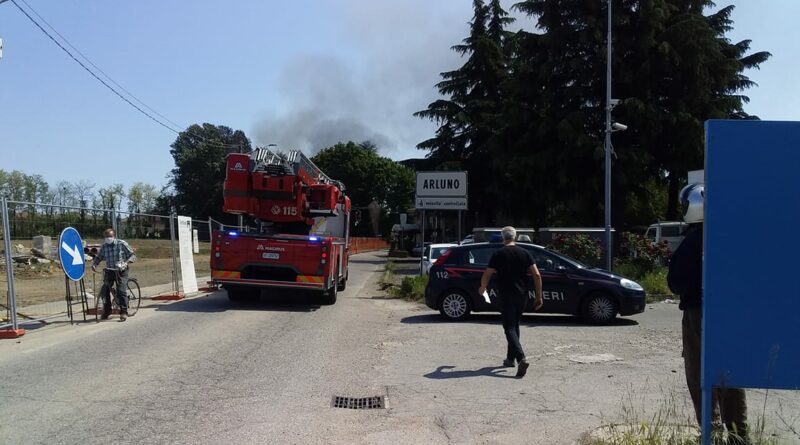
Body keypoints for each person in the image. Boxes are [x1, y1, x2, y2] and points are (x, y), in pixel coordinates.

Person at [667, 184, 749, 443]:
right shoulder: (727, 235)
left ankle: (710, 434)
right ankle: (739, 435)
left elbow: (676, 281)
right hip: (729, 313)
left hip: (697, 313)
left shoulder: (693, 240)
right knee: (731, 376)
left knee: (700, 376)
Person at [479, 226, 543, 378]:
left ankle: (521, 358)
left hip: (506, 295)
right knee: (515, 325)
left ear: (503, 237)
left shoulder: (498, 254)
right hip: (522, 295)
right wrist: (539, 296)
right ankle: (510, 359)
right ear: (515, 237)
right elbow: (537, 275)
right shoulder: (525, 253)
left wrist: (482, 287)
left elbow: (487, 273)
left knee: (508, 327)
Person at [91, 228, 136, 322]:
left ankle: (123, 312)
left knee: (121, 290)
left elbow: (132, 255)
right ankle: (107, 311)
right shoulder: (104, 246)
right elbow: (99, 257)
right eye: (106, 237)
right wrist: (94, 265)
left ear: (114, 236)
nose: (108, 238)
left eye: (110, 236)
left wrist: (126, 262)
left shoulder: (121, 243)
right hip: (110, 271)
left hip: (121, 271)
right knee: (104, 290)